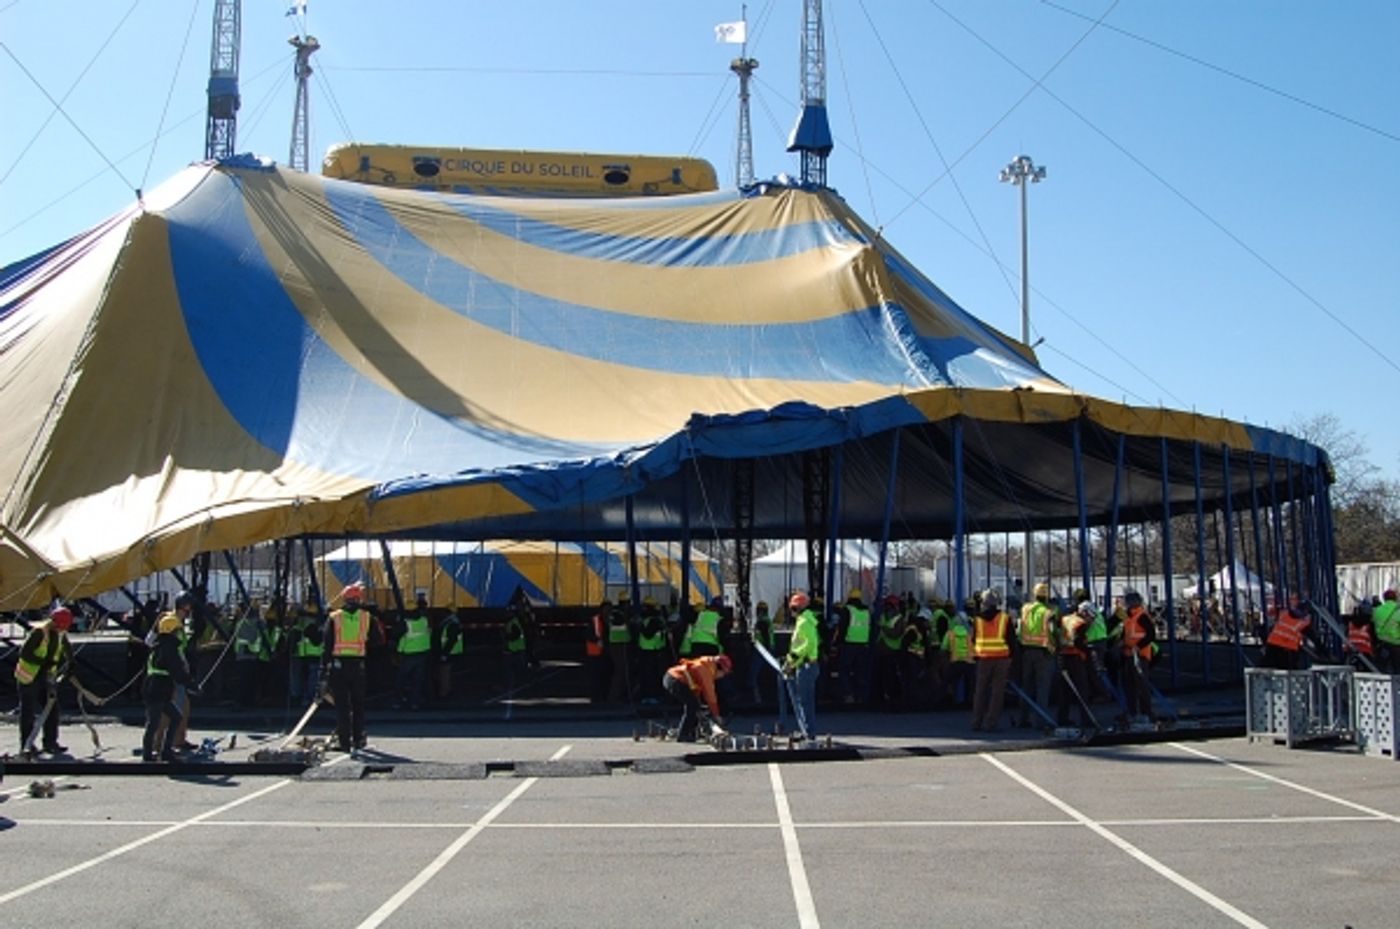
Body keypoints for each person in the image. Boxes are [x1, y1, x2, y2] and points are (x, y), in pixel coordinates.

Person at [320, 582, 383, 752]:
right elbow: (378, 641)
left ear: (344, 598)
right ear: (359, 598)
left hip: (338, 665)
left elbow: (326, 646)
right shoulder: (367, 617)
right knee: (358, 704)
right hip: (358, 666)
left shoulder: (334, 617)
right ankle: (359, 739)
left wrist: (323, 670)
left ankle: (344, 742)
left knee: (342, 706)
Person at [15, 604, 76, 756]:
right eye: (60, 626)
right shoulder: (39, 632)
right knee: (28, 712)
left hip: (46, 678)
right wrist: (43, 663)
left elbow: (67, 651)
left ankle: (50, 742)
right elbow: (24, 652)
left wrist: (71, 665)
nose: (61, 630)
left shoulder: (61, 633)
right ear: (54, 622)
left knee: (52, 709)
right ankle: (27, 745)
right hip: (29, 676)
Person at [143, 606, 199, 762]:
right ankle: (150, 754)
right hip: (157, 688)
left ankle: (163, 750)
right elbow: (177, 670)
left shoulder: (161, 645)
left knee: (174, 717)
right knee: (154, 722)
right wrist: (191, 684)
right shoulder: (169, 648)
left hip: (158, 687)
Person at [1016, 583, 1059, 728]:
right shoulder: (1048, 612)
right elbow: (1053, 632)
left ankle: (1023, 718)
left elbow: (1019, 629)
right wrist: (1055, 647)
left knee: (1026, 686)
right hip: (1043, 652)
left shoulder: (1025, 609)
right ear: (1046, 596)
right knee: (1042, 688)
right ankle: (1041, 720)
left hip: (1026, 651)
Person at [663, 653, 732, 742]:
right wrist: (716, 715)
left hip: (674, 678)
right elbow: (710, 695)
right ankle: (683, 735)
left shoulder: (706, 665)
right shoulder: (706, 671)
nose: (722, 676)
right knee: (692, 706)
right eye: (724, 673)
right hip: (675, 679)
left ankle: (691, 732)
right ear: (719, 668)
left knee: (694, 705)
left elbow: (695, 688)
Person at [970, 590, 1012, 732]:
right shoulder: (1005, 618)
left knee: (980, 691)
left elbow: (974, 639)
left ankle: (976, 722)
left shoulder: (977, 620)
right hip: (1001, 659)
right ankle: (991, 723)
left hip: (983, 659)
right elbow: (1011, 640)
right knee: (997, 693)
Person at [782, 591, 820, 738]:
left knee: (805, 701)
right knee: (802, 700)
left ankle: (809, 733)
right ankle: (806, 731)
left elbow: (807, 645)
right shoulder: (805, 620)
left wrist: (791, 661)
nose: (791, 611)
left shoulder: (804, 622)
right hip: (804, 665)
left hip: (806, 666)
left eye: (793, 608)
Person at [1056, 601, 1095, 728]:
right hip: (1076, 658)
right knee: (1082, 690)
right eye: (1090, 617)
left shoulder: (1066, 619)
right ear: (1085, 613)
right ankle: (1086, 719)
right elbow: (1078, 641)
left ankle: (1062, 719)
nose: (1091, 620)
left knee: (1064, 691)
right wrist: (1087, 651)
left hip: (1063, 656)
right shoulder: (1080, 623)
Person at [1120, 590, 1157, 720]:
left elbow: (1151, 635)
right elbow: (1126, 635)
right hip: (1129, 655)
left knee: (1141, 685)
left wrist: (1138, 646)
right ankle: (1132, 712)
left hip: (1140, 655)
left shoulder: (1141, 616)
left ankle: (1146, 712)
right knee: (1129, 685)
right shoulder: (1129, 617)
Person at [836, 588, 873, 705]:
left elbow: (842, 628)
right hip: (863, 645)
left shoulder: (848, 610)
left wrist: (837, 643)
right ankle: (862, 697)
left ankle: (848, 695)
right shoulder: (867, 611)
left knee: (844, 670)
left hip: (849, 644)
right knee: (861, 671)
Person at [395, 594, 432, 709]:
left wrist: (398, 651)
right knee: (418, 679)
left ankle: (399, 701)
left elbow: (397, 635)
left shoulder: (406, 622)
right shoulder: (424, 620)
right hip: (423, 652)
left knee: (401, 679)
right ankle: (415, 702)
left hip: (408, 654)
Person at [1264, 597, 1314, 671]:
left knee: (1268, 670)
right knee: (1290, 672)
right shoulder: (1302, 624)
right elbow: (1314, 638)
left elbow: (1272, 628)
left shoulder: (1284, 615)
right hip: (1287, 652)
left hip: (1272, 647)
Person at [636, 596, 669, 703]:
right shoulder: (655, 620)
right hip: (652, 651)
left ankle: (651, 695)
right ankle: (651, 695)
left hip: (650, 651)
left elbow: (647, 634)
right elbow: (649, 635)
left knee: (650, 675)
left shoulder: (648, 620)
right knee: (651, 675)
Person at [605, 593, 635, 703]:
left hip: (620, 643)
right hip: (619, 644)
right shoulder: (618, 614)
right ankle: (614, 697)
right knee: (620, 671)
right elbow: (622, 624)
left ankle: (618, 696)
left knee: (623, 670)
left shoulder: (616, 613)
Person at [941, 611, 973, 708]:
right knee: (971, 684)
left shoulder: (950, 633)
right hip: (968, 662)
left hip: (954, 662)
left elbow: (943, 647)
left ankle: (950, 702)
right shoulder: (971, 633)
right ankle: (969, 703)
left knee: (949, 682)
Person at [747, 600, 774, 704]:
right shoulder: (767, 621)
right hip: (768, 649)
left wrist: (765, 650)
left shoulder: (762, 622)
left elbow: (765, 637)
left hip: (762, 650)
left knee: (753, 674)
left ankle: (756, 698)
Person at [1373, 589, 1400, 673]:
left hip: (1382, 644)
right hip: (1396, 644)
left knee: (1382, 669)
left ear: (1384, 598)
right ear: (1395, 598)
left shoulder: (1377, 610)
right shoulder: (1398, 611)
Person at [1345, 602, 1376, 671]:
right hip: (1365, 650)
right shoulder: (1369, 625)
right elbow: (1374, 638)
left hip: (1351, 650)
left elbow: (1346, 635)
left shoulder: (1350, 623)